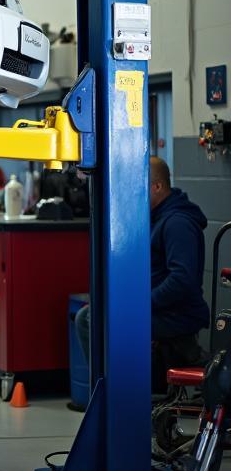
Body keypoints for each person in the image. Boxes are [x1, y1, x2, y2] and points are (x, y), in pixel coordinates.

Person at [74, 156, 209, 395]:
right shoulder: (154, 219)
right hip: (157, 309)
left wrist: (142, 304)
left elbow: (182, 281)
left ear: (157, 186)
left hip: (175, 315)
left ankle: (120, 394)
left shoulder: (178, 223)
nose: (133, 193)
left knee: (93, 320)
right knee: (90, 314)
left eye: (139, 186)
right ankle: (113, 390)